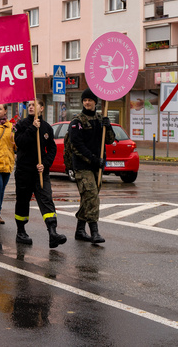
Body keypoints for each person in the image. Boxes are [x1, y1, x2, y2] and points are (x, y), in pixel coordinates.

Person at [13, 100, 66, 248]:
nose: (30, 107)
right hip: (24, 171)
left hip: (40, 172)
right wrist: (32, 129)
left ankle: (52, 232)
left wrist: (46, 164)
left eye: (34, 105)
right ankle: (21, 231)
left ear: (41, 108)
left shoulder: (47, 127)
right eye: (29, 105)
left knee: (46, 199)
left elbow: (52, 148)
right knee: (23, 201)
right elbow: (19, 143)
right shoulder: (21, 125)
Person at [67, 88, 115, 244]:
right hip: (83, 167)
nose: (87, 102)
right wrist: (93, 159)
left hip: (98, 167)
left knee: (88, 199)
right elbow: (77, 145)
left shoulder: (101, 119)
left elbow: (109, 140)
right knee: (92, 197)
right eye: (84, 100)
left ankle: (80, 230)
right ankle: (94, 232)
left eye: (89, 100)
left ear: (95, 102)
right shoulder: (77, 121)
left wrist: (108, 127)